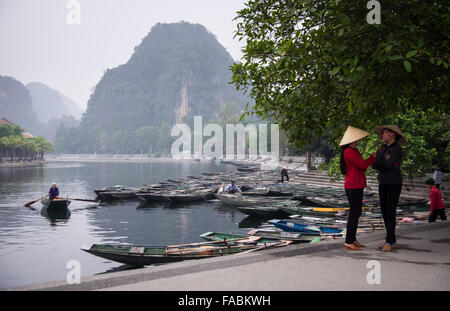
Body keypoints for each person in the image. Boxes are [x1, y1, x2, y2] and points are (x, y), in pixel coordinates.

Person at [339, 126, 376, 250]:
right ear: (351, 141)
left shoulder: (354, 151)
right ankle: (349, 241)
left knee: (357, 212)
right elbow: (362, 164)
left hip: (357, 184)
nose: (357, 142)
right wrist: (372, 157)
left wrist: (366, 162)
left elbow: (363, 167)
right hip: (353, 185)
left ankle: (353, 239)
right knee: (354, 212)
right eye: (355, 140)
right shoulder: (348, 152)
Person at [372, 125, 406, 252]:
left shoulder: (397, 149)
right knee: (384, 211)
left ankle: (389, 241)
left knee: (390, 211)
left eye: (385, 133)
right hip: (382, 182)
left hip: (394, 182)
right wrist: (379, 162)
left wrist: (379, 162)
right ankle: (391, 239)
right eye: (383, 133)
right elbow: (375, 164)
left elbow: (386, 164)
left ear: (393, 134)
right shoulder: (382, 148)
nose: (383, 135)